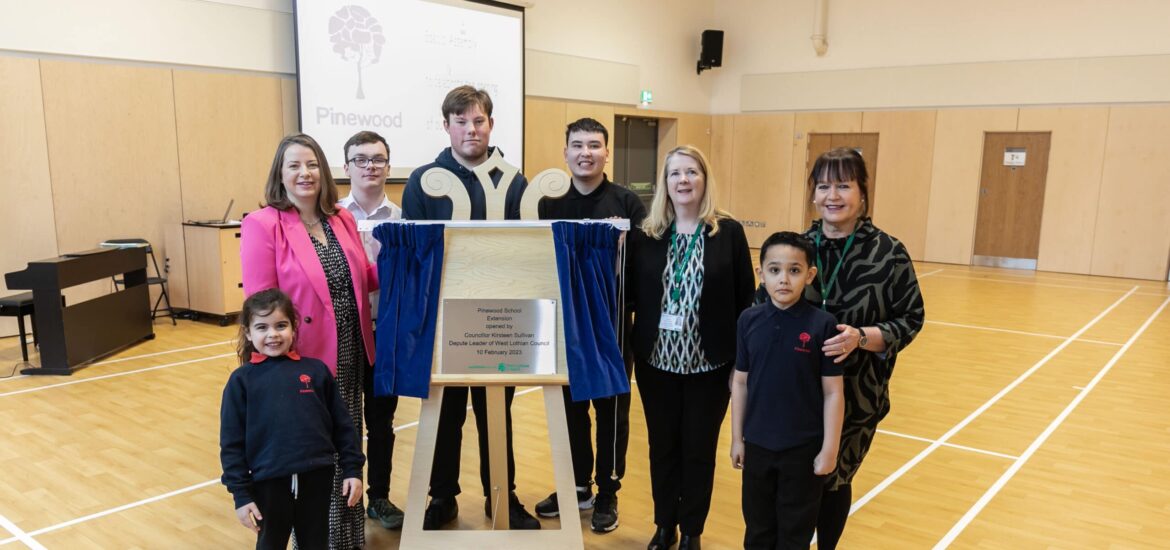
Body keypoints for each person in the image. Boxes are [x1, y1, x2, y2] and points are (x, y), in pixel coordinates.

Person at [400, 85, 539, 530]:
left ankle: (502, 496)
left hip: (500, 318)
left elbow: (524, 251)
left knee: (497, 413)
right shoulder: (423, 181)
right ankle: (442, 496)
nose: (471, 129)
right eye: (461, 121)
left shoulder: (514, 181)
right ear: (446, 126)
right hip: (444, 318)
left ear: (491, 124)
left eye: (478, 120)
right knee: (446, 413)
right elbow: (415, 256)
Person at [240, 133, 377, 548]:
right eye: (295, 166)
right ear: (280, 175)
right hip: (300, 364)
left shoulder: (341, 218)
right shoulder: (263, 224)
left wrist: (404, 257)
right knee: (313, 458)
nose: (305, 173)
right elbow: (261, 306)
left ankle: (347, 540)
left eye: (313, 164)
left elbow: (362, 280)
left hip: (349, 354)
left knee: (346, 446)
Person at [793, 147, 926, 549]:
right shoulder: (796, 248)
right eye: (823, 186)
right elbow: (764, 308)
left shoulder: (889, 252)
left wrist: (862, 337)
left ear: (863, 193)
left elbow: (911, 318)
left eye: (843, 185)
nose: (832, 195)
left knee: (835, 477)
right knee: (797, 480)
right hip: (796, 390)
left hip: (857, 393)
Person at [627, 145, 755, 550]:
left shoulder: (728, 232)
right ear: (665, 183)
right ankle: (665, 525)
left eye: (692, 172)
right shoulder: (647, 233)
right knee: (662, 448)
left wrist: (741, 366)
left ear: (704, 179)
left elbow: (746, 301)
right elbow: (630, 296)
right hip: (656, 364)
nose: (683, 180)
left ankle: (692, 531)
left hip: (711, 366)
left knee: (698, 451)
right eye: (675, 173)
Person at [533, 117, 647, 533]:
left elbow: (641, 267)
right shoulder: (548, 204)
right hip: (562, 324)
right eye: (578, 145)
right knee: (570, 409)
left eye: (594, 145)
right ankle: (577, 485)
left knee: (611, 410)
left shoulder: (627, 203)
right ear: (565, 153)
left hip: (611, 325)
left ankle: (608, 491)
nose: (586, 153)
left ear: (607, 153)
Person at [220, 289, 365, 550]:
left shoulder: (316, 371)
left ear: (294, 327)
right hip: (268, 482)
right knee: (271, 543)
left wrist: (352, 469)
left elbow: (343, 426)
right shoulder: (241, 381)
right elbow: (231, 444)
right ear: (248, 333)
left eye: (281, 325)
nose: (273, 334)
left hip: (318, 477)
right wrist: (241, 494)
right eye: (262, 327)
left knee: (315, 543)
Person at [730, 232, 844, 549]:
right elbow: (740, 382)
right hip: (757, 446)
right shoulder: (748, 320)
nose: (783, 279)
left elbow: (833, 393)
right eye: (774, 270)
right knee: (758, 529)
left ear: (809, 275)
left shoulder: (823, 324)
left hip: (803, 450)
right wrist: (737, 439)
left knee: (795, 533)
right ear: (761, 273)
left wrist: (829, 449)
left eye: (794, 270)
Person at [337, 130, 405, 531]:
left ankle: (379, 497)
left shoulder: (402, 218)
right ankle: (343, 501)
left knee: (381, 422)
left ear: (388, 167)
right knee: (343, 420)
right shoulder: (330, 218)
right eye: (360, 159)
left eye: (378, 159)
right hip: (344, 333)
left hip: (386, 333)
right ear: (346, 167)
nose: (370, 166)